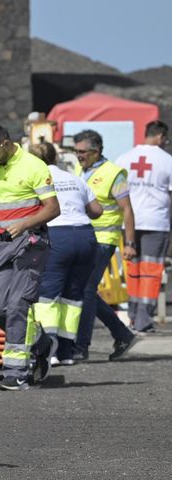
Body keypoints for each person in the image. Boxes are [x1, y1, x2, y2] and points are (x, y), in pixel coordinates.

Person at [0, 123, 60, 391]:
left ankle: (16, 373)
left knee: (18, 303)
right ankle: (42, 343)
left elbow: (53, 208)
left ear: (5, 143)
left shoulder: (34, 166)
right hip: (3, 244)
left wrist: (24, 224)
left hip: (31, 242)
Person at [30, 142, 102, 365]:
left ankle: (48, 349)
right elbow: (97, 210)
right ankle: (67, 353)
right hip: (85, 237)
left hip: (57, 237)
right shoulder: (75, 178)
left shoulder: (35, 178)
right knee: (73, 297)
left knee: (48, 296)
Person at [72, 130, 138, 361]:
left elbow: (127, 209)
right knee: (84, 289)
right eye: (76, 151)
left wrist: (129, 243)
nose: (78, 156)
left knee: (86, 290)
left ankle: (81, 347)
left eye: (82, 152)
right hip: (86, 238)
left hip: (104, 240)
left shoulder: (114, 174)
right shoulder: (83, 170)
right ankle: (122, 334)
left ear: (96, 151)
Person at [116, 120, 172, 338]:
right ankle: (143, 319)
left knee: (132, 270)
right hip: (156, 222)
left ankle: (132, 315)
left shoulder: (124, 158)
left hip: (128, 223)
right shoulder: (167, 160)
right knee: (151, 272)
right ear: (160, 136)